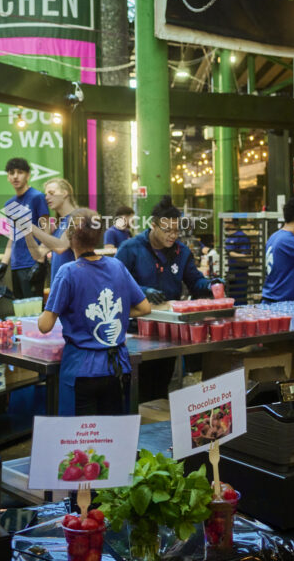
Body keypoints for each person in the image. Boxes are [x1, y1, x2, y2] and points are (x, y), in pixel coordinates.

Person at [38, 208, 151, 415]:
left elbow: (45, 326)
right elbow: (144, 307)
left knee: (81, 440)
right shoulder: (117, 266)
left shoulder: (68, 272)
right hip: (117, 367)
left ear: (70, 237)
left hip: (82, 370)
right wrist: (116, 316)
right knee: (111, 436)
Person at [115, 196, 218, 303]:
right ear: (153, 226)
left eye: (176, 231)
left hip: (171, 315)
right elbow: (116, 282)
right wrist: (143, 292)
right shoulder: (130, 249)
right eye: (167, 230)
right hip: (139, 316)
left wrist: (209, 284)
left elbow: (195, 281)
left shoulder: (182, 252)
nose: (173, 236)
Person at [0, 157, 50, 298]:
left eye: (20, 172)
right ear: (8, 177)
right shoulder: (9, 204)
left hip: (33, 263)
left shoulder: (37, 197)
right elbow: (13, 235)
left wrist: (40, 261)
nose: (15, 176)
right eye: (11, 173)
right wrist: (4, 263)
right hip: (16, 264)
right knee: (19, 310)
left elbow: (47, 230)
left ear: (28, 175)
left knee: (34, 311)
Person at [25, 178, 79, 286]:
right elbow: (38, 253)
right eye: (46, 194)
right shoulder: (59, 225)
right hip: (59, 288)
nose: (46, 198)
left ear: (64, 193)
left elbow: (60, 247)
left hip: (73, 287)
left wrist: (32, 228)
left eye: (51, 193)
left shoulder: (77, 218)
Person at [223, 221, 252, 304]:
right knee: (231, 300)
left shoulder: (241, 236)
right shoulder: (229, 237)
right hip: (231, 273)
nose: (224, 223)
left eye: (226, 220)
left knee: (239, 301)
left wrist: (231, 253)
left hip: (240, 274)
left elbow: (247, 258)